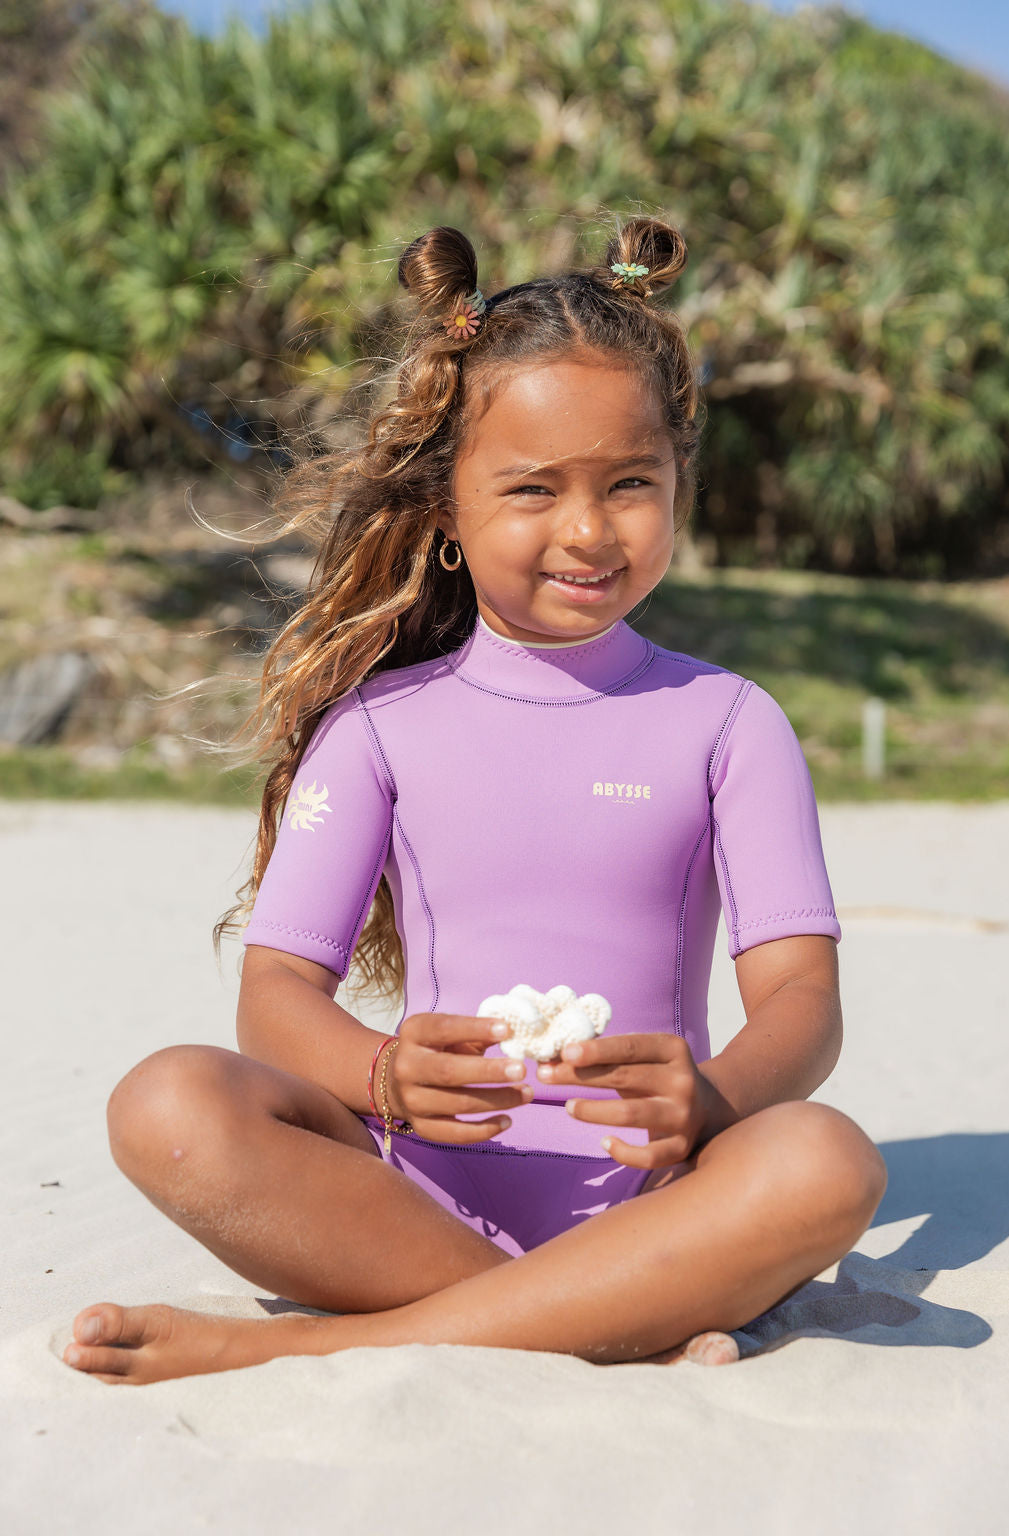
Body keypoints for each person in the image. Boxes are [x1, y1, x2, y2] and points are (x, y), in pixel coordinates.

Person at [62, 216, 887, 1385]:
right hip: (412, 1204)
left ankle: (331, 1343)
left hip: (663, 1196)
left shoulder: (727, 723)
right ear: (448, 507)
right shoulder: (379, 728)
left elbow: (804, 1001)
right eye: (532, 488)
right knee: (167, 1102)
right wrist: (381, 1074)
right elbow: (277, 1001)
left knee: (826, 1159)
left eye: (630, 485)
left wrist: (713, 1098)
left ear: (679, 487)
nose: (587, 530)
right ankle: (604, 1315)